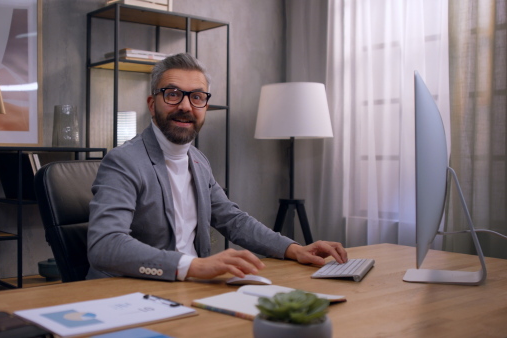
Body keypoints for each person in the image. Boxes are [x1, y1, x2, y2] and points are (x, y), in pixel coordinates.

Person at [87, 53, 347, 281]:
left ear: (205, 107)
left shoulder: (198, 161)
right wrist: (193, 266)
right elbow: (105, 244)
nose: (186, 106)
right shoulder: (124, 162)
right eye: (173, 94)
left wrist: (294, 249)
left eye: (197, 97)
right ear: (152, 104)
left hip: (191, 288)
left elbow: (233, 221)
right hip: (134, 292)